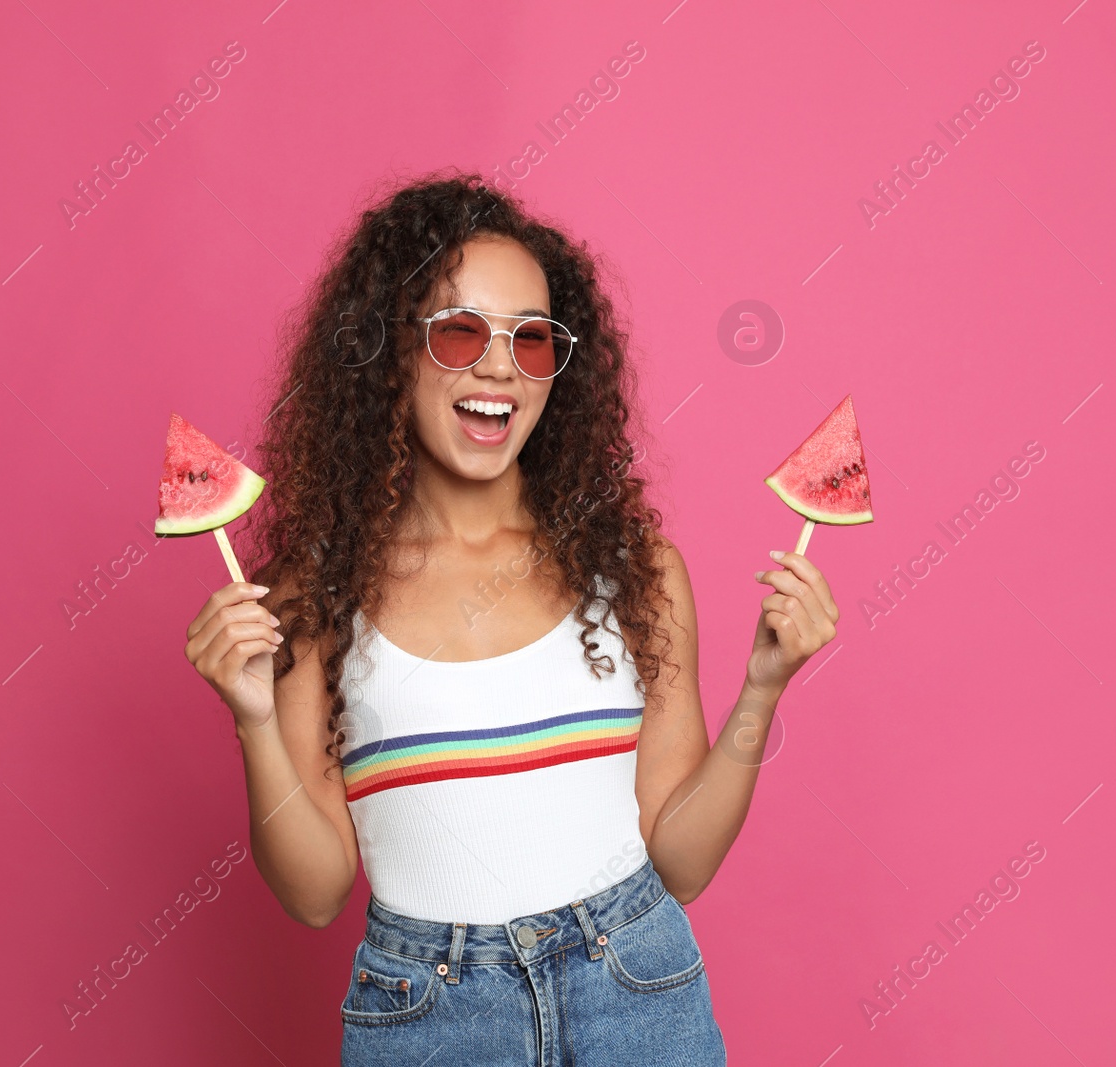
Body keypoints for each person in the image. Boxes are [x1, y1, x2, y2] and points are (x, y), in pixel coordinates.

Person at [182, 171, 840, 1065]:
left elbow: (681, 859)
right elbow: (315, 891)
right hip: (430, 1014)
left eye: (532, 342)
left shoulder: (636, 570)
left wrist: (764, 687)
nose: (499, 366)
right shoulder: (315, 596)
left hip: (636, 989)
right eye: (460, 333)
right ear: (387, 353)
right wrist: (253, 720)